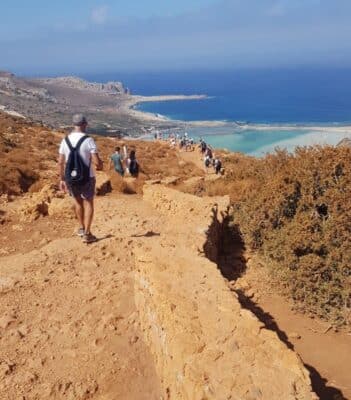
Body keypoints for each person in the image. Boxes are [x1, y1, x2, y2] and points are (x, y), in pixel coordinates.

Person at [58, 114, 103, 244]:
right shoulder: (88, 140)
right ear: (84, 124)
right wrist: (100, 165)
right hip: (87, 177)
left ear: (73, 124)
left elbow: (60, 162)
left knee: (78, 203)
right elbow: (96, 161)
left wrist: (62, 179)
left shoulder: (65, 140)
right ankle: (87, 234)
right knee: (88, 202)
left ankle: (82, 228)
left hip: (70, 178)